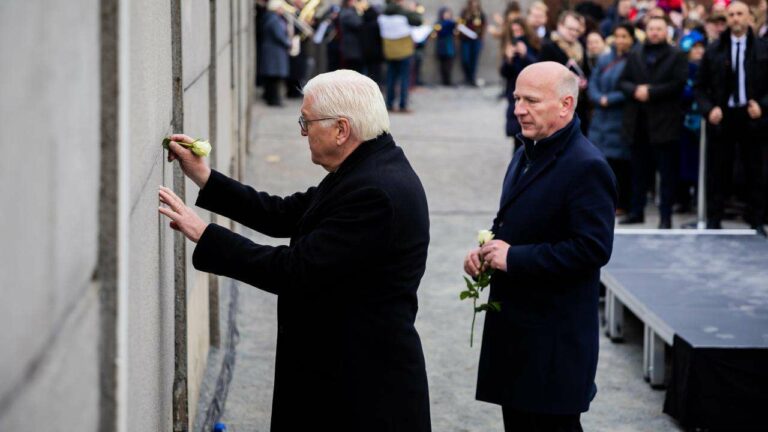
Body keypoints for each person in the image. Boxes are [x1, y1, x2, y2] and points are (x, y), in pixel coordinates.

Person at [158, 70, 432, 431]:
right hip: (340, 369)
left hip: (361, 386)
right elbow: (284, 213)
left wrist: (206, 234)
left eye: (306, 122)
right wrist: (205, 178)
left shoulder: (375, 191)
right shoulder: (366, 165)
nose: (303, 132)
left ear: (341, 129)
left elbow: (294, 271)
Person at [465, 62, 616, 432]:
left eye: (531, 100)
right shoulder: (527, 150)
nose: (518, 108)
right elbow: (524, 218)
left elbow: (593, 249)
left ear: (566, 105)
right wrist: (489, 249)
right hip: (519, 338)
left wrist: (513, 258)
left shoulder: (586, 165)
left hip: (554, 346)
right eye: (517, 98)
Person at [695, 0, 768, 235]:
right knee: (718, 169)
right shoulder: (714, 49)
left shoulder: (763, 48)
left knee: (755, 169)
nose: (735, 18)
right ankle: (714, 219)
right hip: (723, 115)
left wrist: (763, 106)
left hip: (752, 115)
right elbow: (700, 86)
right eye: (731, 14)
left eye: (740, 14)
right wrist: (709, 109)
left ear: (749, 18)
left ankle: (757, 219)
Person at [618, 15, 688, 228]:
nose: (655, 32)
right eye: (651, 29)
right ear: (646, 31)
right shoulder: (635, 53)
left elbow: (679, 83)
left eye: (659, 28)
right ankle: (636, 211)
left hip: (665, 124)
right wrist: (635, 90)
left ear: (666, 31)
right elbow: (623, 81)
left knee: (666, 173)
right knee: (638, 172)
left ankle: (665, 217)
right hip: (638, 124)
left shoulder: (677, 55)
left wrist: (651, 92)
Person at [588, 22, 635, 215]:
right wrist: (599, 98)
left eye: (624, 36)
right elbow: (593, 82)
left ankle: (621, 203)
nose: (620, 40)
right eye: (618, 36)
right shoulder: (605, 59)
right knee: (599, 162)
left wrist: (610, 99)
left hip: (620, 118)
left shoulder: (634, 60)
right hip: (600, 118)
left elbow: (631, 87)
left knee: (619, 164)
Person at [500, 17, 540, 149]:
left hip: (531, 92)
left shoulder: (533, 44)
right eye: (514, 31)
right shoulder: (510, 45)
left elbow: (538, 68)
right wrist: (509, 59)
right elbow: (504, 73)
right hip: (514, 94)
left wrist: (525, 55)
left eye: (519, 30)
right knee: (517, 136)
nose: (517, 34)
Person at [379, 0, 423, 112]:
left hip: (389, 50)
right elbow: (418, 20)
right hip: (404, 50)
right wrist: (412, 10)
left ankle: (389, 104)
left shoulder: (383, 13)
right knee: (404, 78)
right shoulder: (404, 13)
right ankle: (403, 104)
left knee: (390, 78)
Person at [261, 0, 292, 106]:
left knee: (273, 77)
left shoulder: (271, 18)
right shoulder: (274, 20)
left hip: (273, 52)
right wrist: (289, 43)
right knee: (274, 77)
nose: (283, 10)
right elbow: (279, 35)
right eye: (281, 8)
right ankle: (274, 100)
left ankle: (273, 99)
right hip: (274, 52)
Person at [458, 0, 487, 86]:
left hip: (476, 40)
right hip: (465, 40)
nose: (475, 3)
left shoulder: (480, 13)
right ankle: (467, 77)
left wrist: (481, 37)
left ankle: (471, 79)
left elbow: (484, 26)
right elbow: (460, 24)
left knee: (474, 60)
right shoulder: (465, 12)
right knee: (465, 59)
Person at [434, 6, 458, 86]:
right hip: (442, 45)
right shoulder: (439, 23)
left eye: (449, 13)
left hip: (449, 45)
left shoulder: (451, 23)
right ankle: (445, 81)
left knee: (449, 64)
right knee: (443, 64)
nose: (447, 15)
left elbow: (455, 27)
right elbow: (440, 30)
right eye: (446, 13)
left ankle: (448, 81)